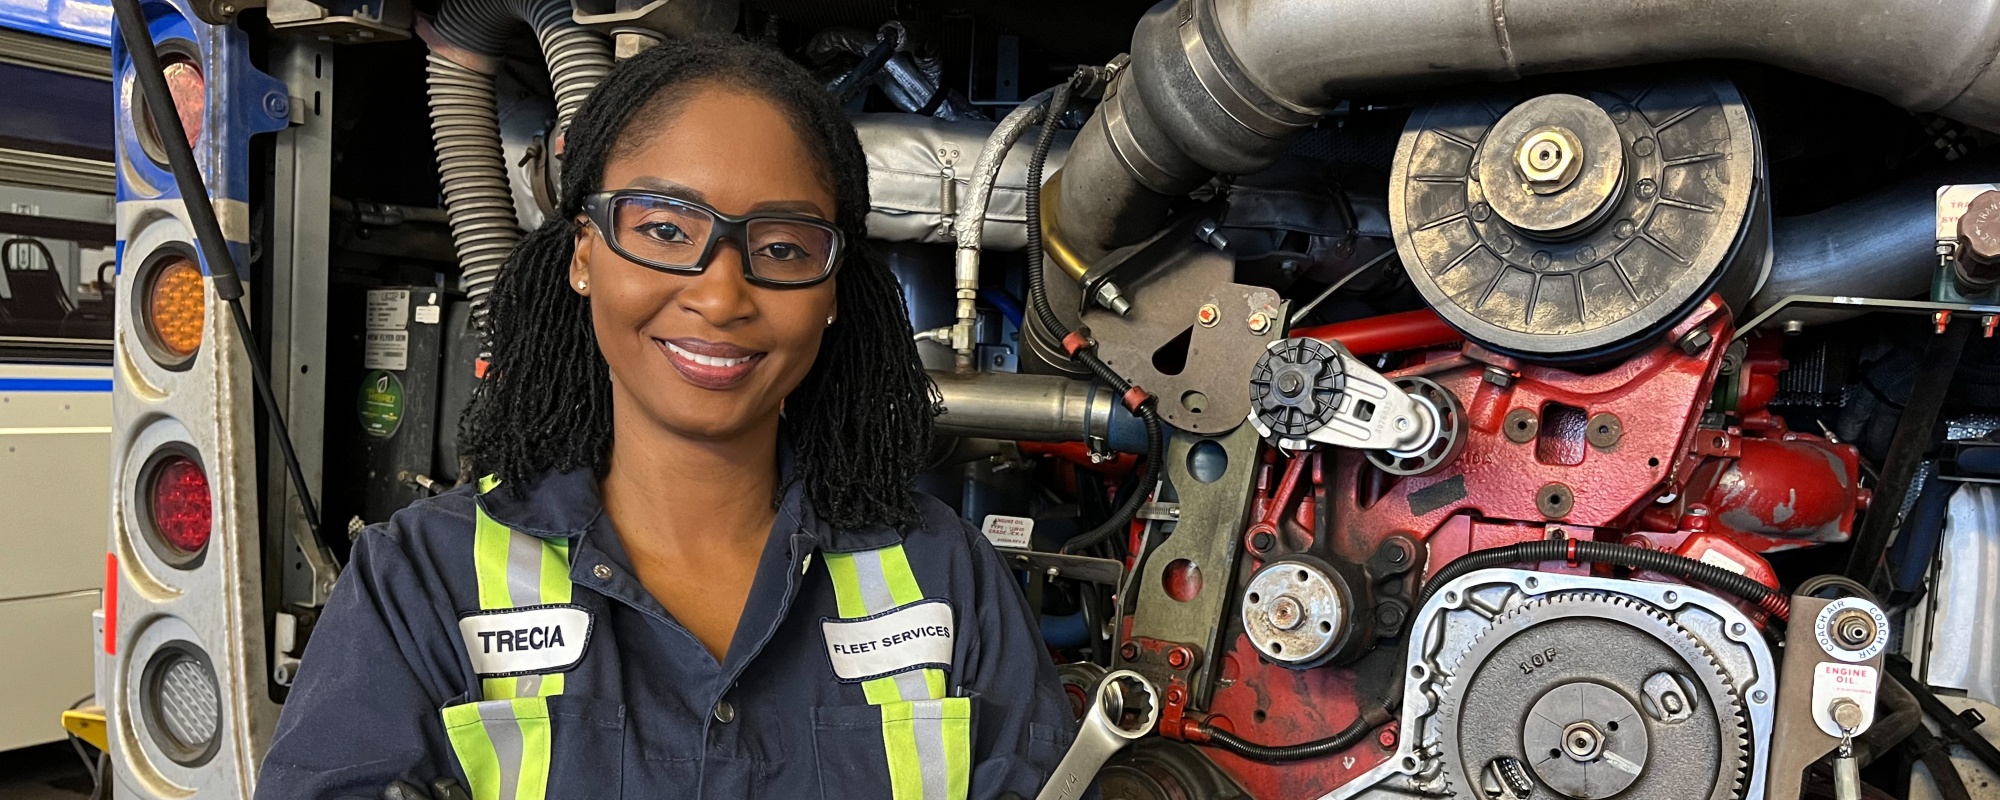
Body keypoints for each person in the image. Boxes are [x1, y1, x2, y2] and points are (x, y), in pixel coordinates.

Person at [257, 35, 1078, 799]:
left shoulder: (947, 582)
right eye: (662, 229)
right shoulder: (422, 583)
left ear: (834, 293)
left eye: (784, 248)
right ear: (584, 256)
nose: (721, 295)